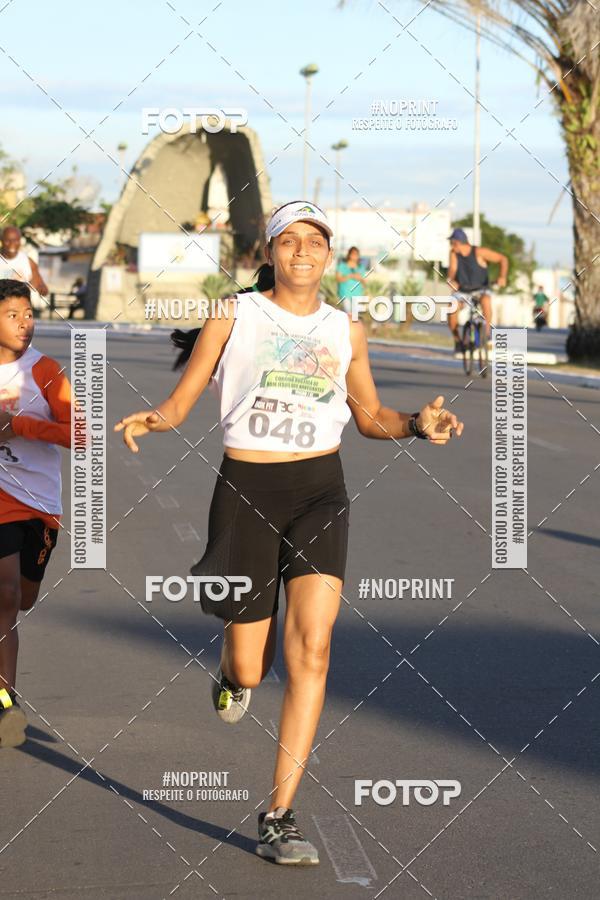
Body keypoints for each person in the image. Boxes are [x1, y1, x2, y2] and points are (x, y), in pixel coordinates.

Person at [115, 200, 464, 866]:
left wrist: (417, 424)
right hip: (247, 492)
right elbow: (182, 402)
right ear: (269, 251)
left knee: (313, 649)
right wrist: (152, 419)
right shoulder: (233, 315)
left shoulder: (346, 328)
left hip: (319, 492)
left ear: (328, 253)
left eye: (315, 241)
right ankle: (232, 672)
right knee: (252, 664)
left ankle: (278, 815)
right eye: (290, 240)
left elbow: (369, 415)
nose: (303, 251)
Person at [0, 279, 72, 747]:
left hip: (40, 505)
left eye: (29, 314)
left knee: (22, 598)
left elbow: (79, 433)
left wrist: (19, 425)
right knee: (4, 596)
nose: (25, 323)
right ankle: (5, 703)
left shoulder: (45, 370)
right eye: (13, 315)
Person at [446, 228, 508, 351]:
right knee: (451, 309)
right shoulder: (453, 254)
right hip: (463, 290)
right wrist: (451, 280)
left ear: (457, 242)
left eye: (452, 243)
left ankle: (487, 334)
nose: (451, 246)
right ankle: (457, 341)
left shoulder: (479, 252)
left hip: (481, 289)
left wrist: (502, 277)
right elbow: (452, 271)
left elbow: (503, 259)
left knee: (486, 300)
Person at [0, 227, 49, 298]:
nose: (12, 243)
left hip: (23, 303)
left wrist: (41, 289)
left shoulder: (28, 261)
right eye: (7, 240)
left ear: (20, 241)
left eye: (16, 240)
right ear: (1, 240)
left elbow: (41, 287)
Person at [336, 246, 366, 313]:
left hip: (357, 295)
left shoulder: (361, 267)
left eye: (357, 254)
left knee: (355, 316)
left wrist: (360, 279)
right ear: (349, 254)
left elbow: (364, 283)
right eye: (353, 253)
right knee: (348, 314)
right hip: (345, 294)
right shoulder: (342, 266)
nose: (355, 256)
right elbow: (338, 279)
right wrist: (350, 276)